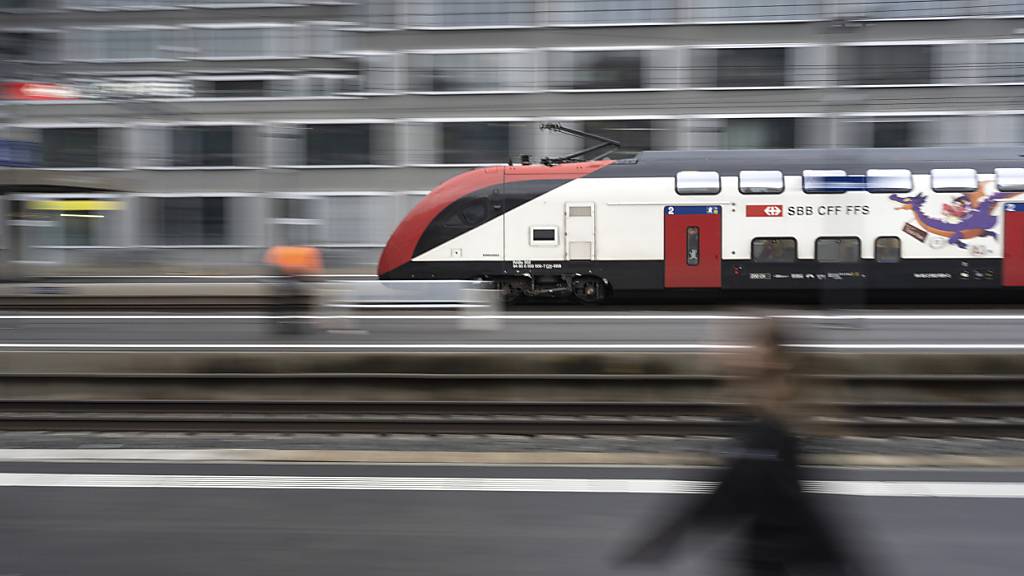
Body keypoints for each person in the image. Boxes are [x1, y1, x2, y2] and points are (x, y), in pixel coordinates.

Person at [619, 318, 864, 576]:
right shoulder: (762, 424)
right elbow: (737, 492)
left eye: (732, 342)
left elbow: (736, 493)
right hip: (775, 558)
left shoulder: (769, 432)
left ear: (765, 355)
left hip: (781, 559)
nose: (714, 349)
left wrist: (663, 539)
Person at [263, 245, 323, 334]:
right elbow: (310, 271)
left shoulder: (278, 251)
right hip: (287, 276)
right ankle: (289, 317)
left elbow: (272, 266)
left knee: (285, 297)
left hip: (283, 275)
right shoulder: (310, 253)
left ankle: (278, 314)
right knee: (295, 298)